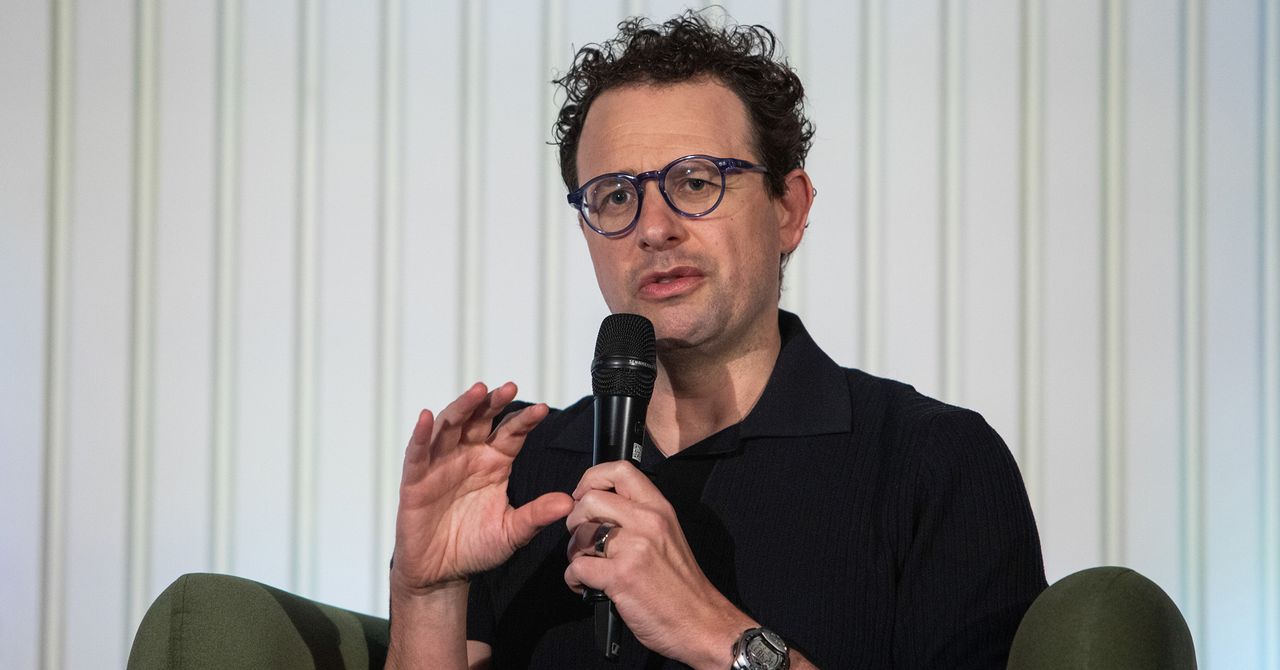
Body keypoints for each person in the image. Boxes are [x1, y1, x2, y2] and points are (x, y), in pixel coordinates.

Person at [386, 11, 1046, 669]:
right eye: (615, 196)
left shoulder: (933, 462)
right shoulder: (513, 471)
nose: (654, 228)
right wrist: (428, 594)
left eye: (697, 182)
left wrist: (714, 633)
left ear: (789, 209)